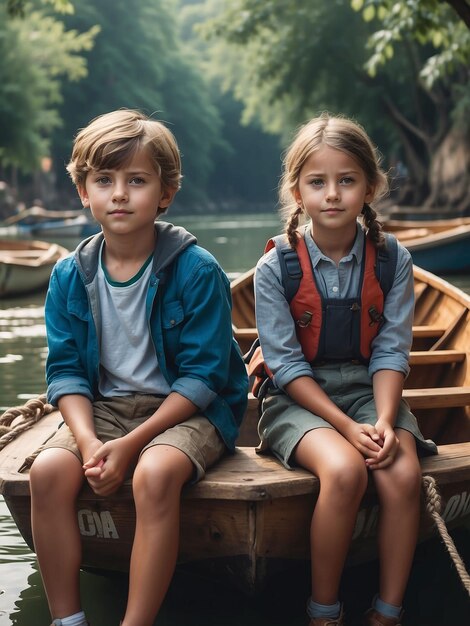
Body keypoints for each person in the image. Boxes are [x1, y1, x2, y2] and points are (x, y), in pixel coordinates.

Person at [29, 108, 248, 626]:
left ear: (165, 193)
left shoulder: (196, 270)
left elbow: (204, 378)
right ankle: (68, 620)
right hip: (105, 409)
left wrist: (130, 446)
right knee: (46, 472)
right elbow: (66, 374)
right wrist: (87, 444)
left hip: (190, 411)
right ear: (84, 191)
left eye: (137, 180)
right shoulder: (68, 275)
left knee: (153, 474)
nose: (120, 194)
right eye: (104, 180)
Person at [254, 113, 437, 626]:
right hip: (297, 398)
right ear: (297, 190)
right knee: (343, 470)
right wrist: (344, 426)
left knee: (401, 474)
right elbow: (286, 365)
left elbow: (391, 351)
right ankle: (324, 611)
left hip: (369, 391)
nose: (332, 194)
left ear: (370, 187)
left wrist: (382, 419)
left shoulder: (391, 259)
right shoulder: (276, 267)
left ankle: (387, 610)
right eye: (318, 182)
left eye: (346, 180)